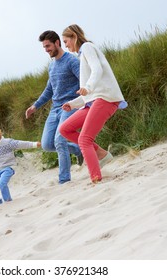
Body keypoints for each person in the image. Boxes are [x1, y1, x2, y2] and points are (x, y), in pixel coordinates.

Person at [59, 24, 127, 184]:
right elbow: (88, 93)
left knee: (84, 140)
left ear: (74, 37)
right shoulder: (82, 55)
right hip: (93, 101)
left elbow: (97, 70)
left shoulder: (87, 47)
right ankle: (101, 154)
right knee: (65, 129)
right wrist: (73, 103)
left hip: (105, 99)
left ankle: (95, 178)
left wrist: (88, 87)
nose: (66, 45)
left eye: (66, 41)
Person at [25, 30, 83, 185]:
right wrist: (35, 106)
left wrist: (79, 100)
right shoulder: (51, 66)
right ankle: (77, 150)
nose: (46, 50)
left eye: (48, 46)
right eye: (44, 47)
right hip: (55, 108)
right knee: (47, 145)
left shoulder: (72, 61)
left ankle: (64, 180)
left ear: (57, 42)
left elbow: (84, 82)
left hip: (70, 107)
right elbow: (49, 90)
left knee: (59, 140)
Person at [0, 120, 41, 205]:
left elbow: (21, 144)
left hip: (9, 168)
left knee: (1, 184)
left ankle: (8, 202)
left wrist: (34, 144)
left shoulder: (7, 143)